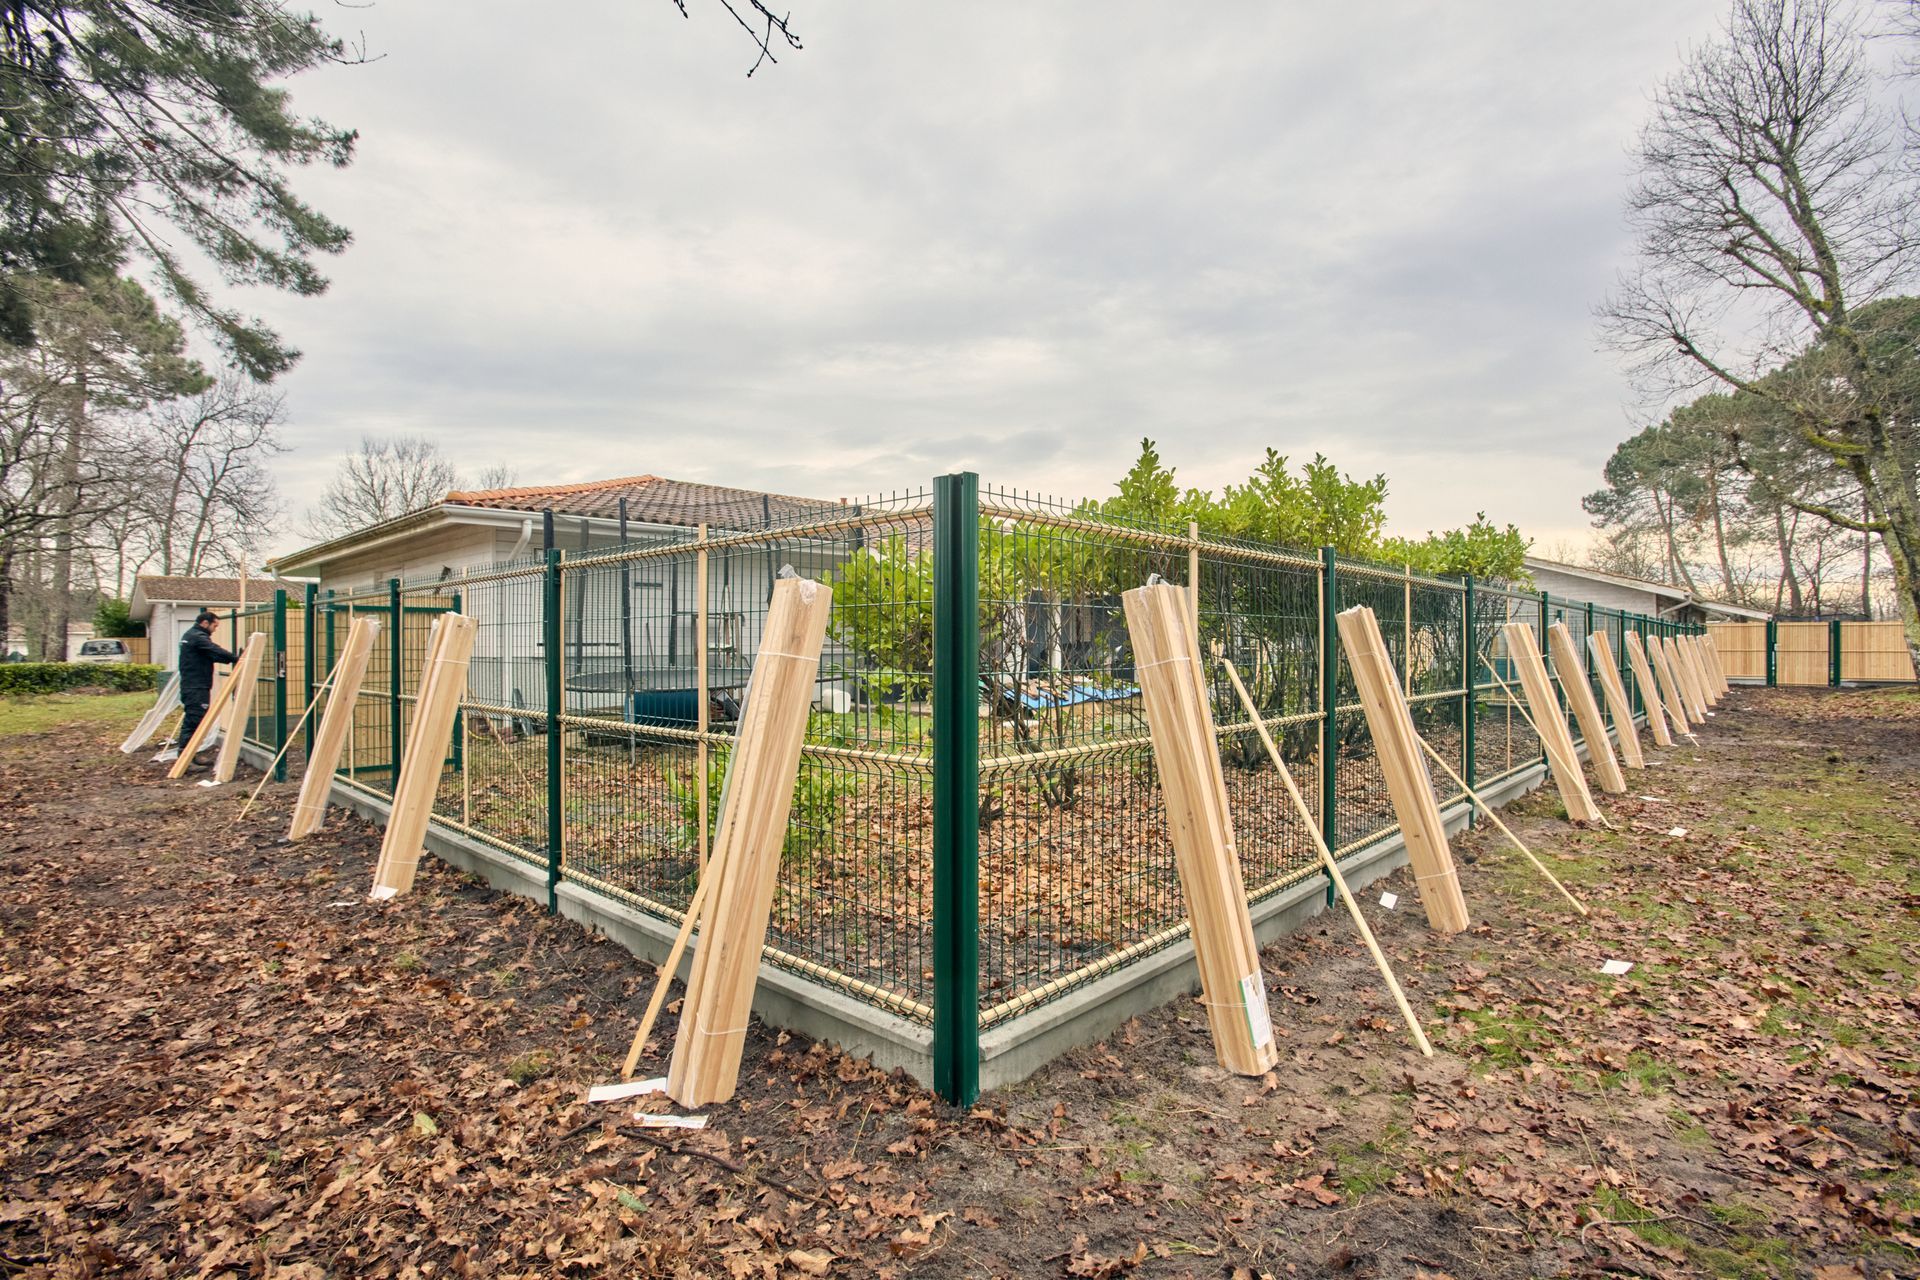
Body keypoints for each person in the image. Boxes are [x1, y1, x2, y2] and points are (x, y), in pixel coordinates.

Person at [158, 609, 237, 766]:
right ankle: (185, 759)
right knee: (193, 720)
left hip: (195, 685)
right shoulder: (197, 637)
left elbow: (212, 655)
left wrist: (230, 660)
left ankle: (191, 755)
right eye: (214, 626)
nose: (215, 630)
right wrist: (236, 657)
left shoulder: (192, 637)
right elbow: (215, 650)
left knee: (195, 721)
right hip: (196, 687)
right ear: (205, 623)